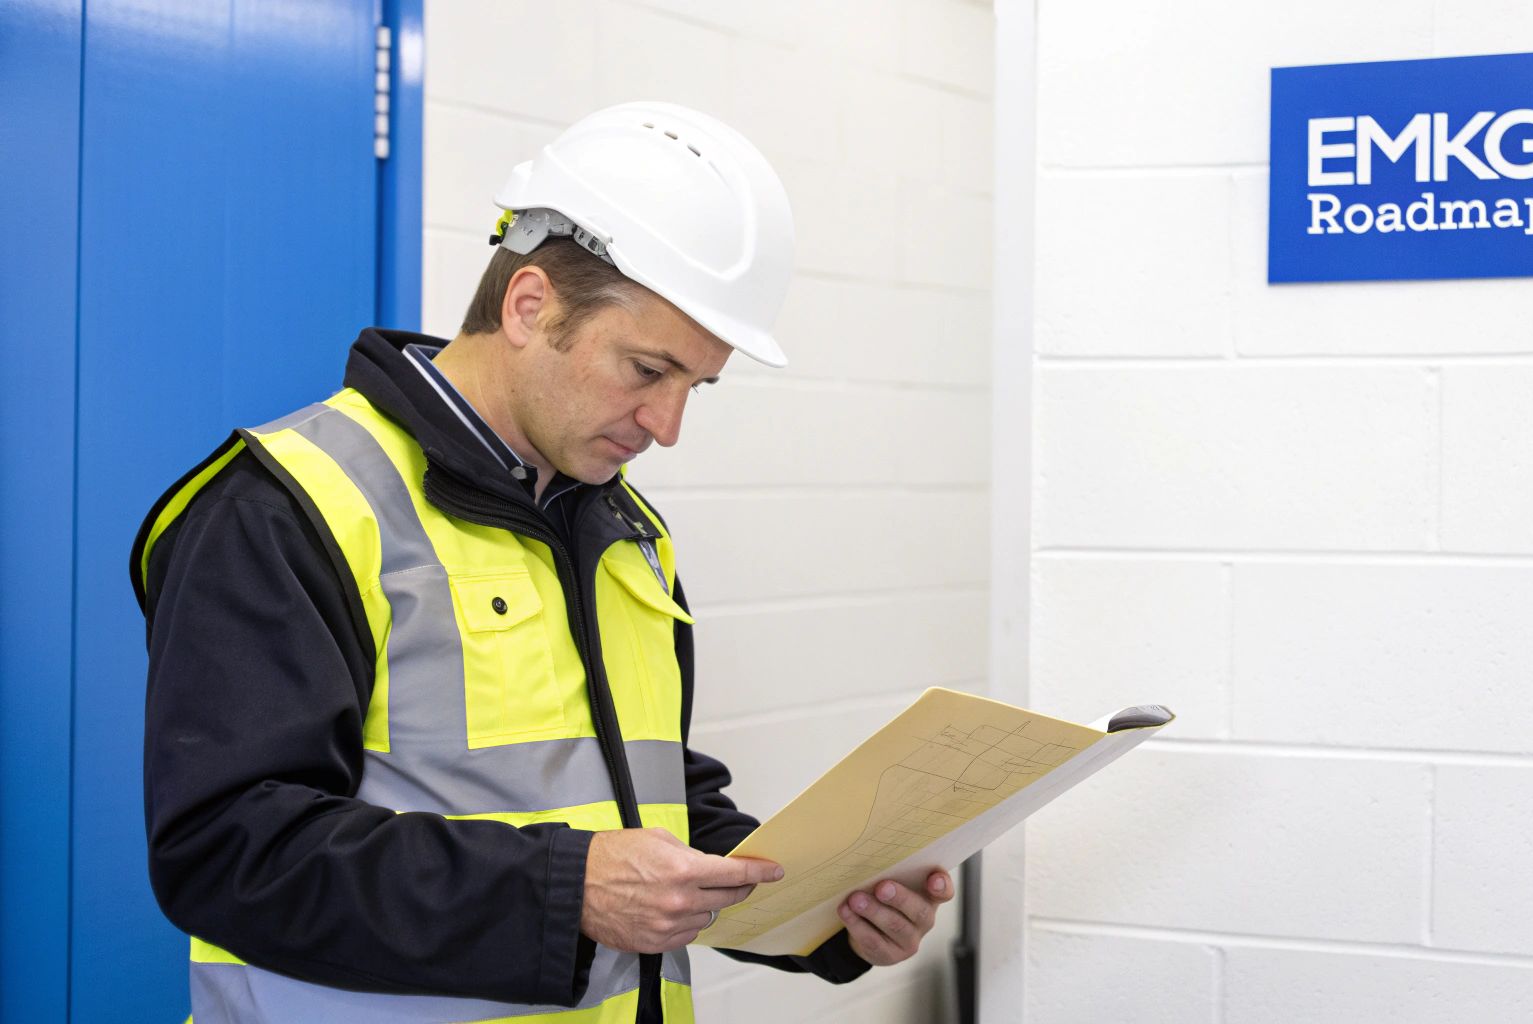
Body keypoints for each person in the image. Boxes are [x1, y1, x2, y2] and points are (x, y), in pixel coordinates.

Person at [131, 101, 952, 1023]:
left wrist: (821, 909)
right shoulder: (287, 508)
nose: (669, 427)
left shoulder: (622, 527)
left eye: (696, 386)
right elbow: (229, 851)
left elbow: (642, 795)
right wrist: (564, 890)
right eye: (648, 370)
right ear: (530, 305)